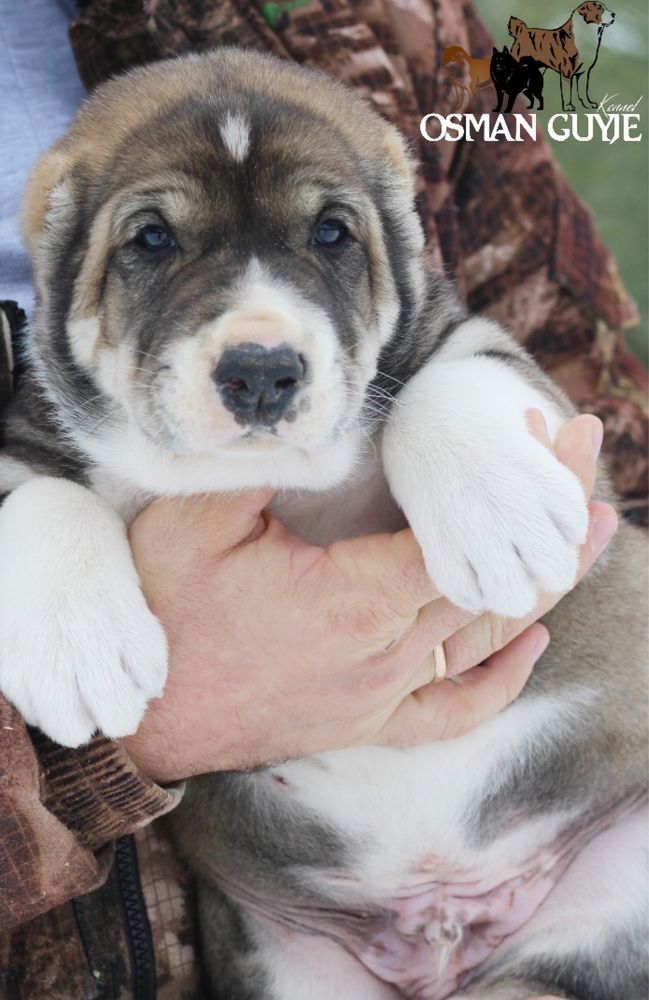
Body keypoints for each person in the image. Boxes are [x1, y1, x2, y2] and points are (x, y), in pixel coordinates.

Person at [0, 0, 643, 997]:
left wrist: (462, 419)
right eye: (157, 243)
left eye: (330, 233)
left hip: (587, 837)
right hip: (295, 915)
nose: (262, 338)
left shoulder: (372, 24)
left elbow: (589, 416)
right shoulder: (57, 441)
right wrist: (119, 736)